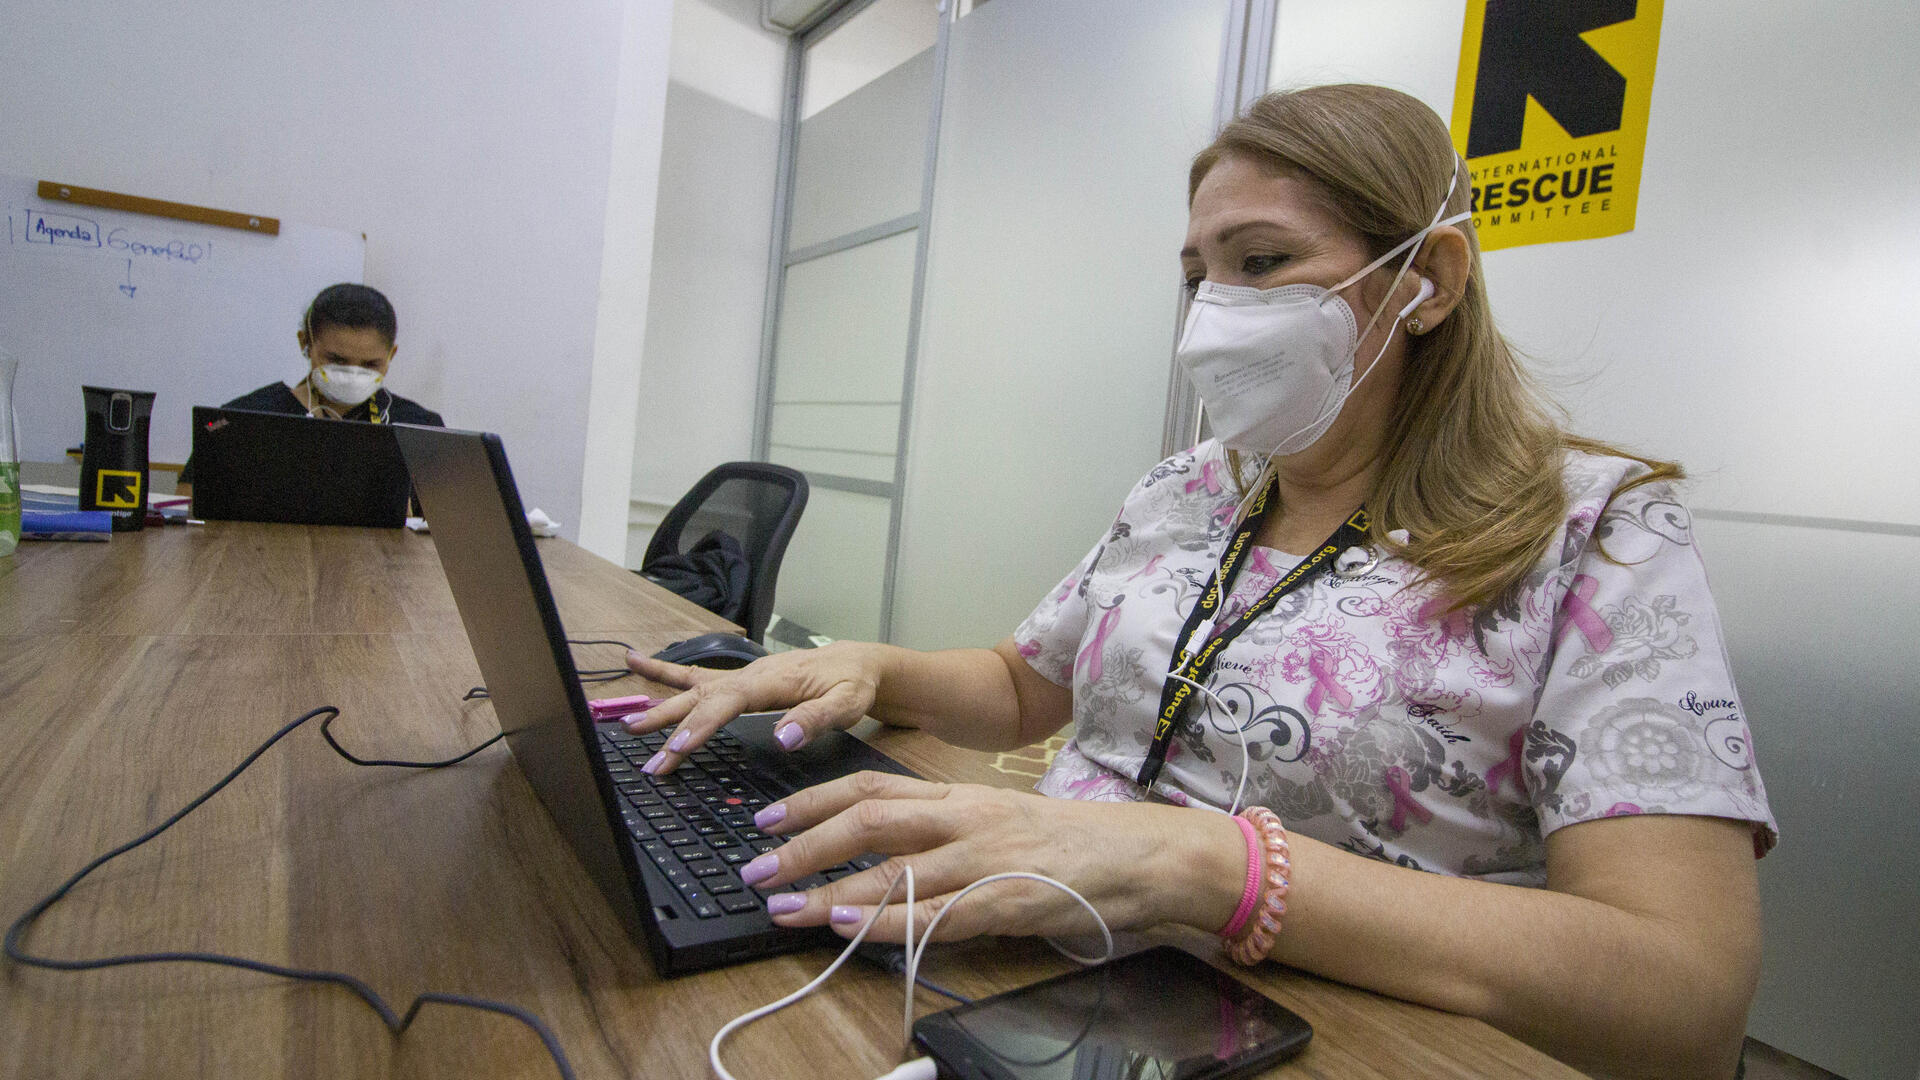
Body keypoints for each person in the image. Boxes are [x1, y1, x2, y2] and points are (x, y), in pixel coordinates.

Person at [624, 85, 1774, 1080]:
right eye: (1198, 274)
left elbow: (1681, 1000)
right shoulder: (1191, 488)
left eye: (1262, 264)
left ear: (1427, 280)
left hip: (1322, 1029)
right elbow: (1026, 690)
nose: (1211, 318)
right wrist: (866, 664)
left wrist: (1200, 865)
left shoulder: (1592, 532)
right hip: (1039, 972)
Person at [176, 283, 443, 495]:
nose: (352, 373)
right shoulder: (240, 417)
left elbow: (453, 522)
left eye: (371, 364)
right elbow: (188, 499)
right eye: (336, 360)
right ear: (305, 343)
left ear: (391, 355)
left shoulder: (422, 428)